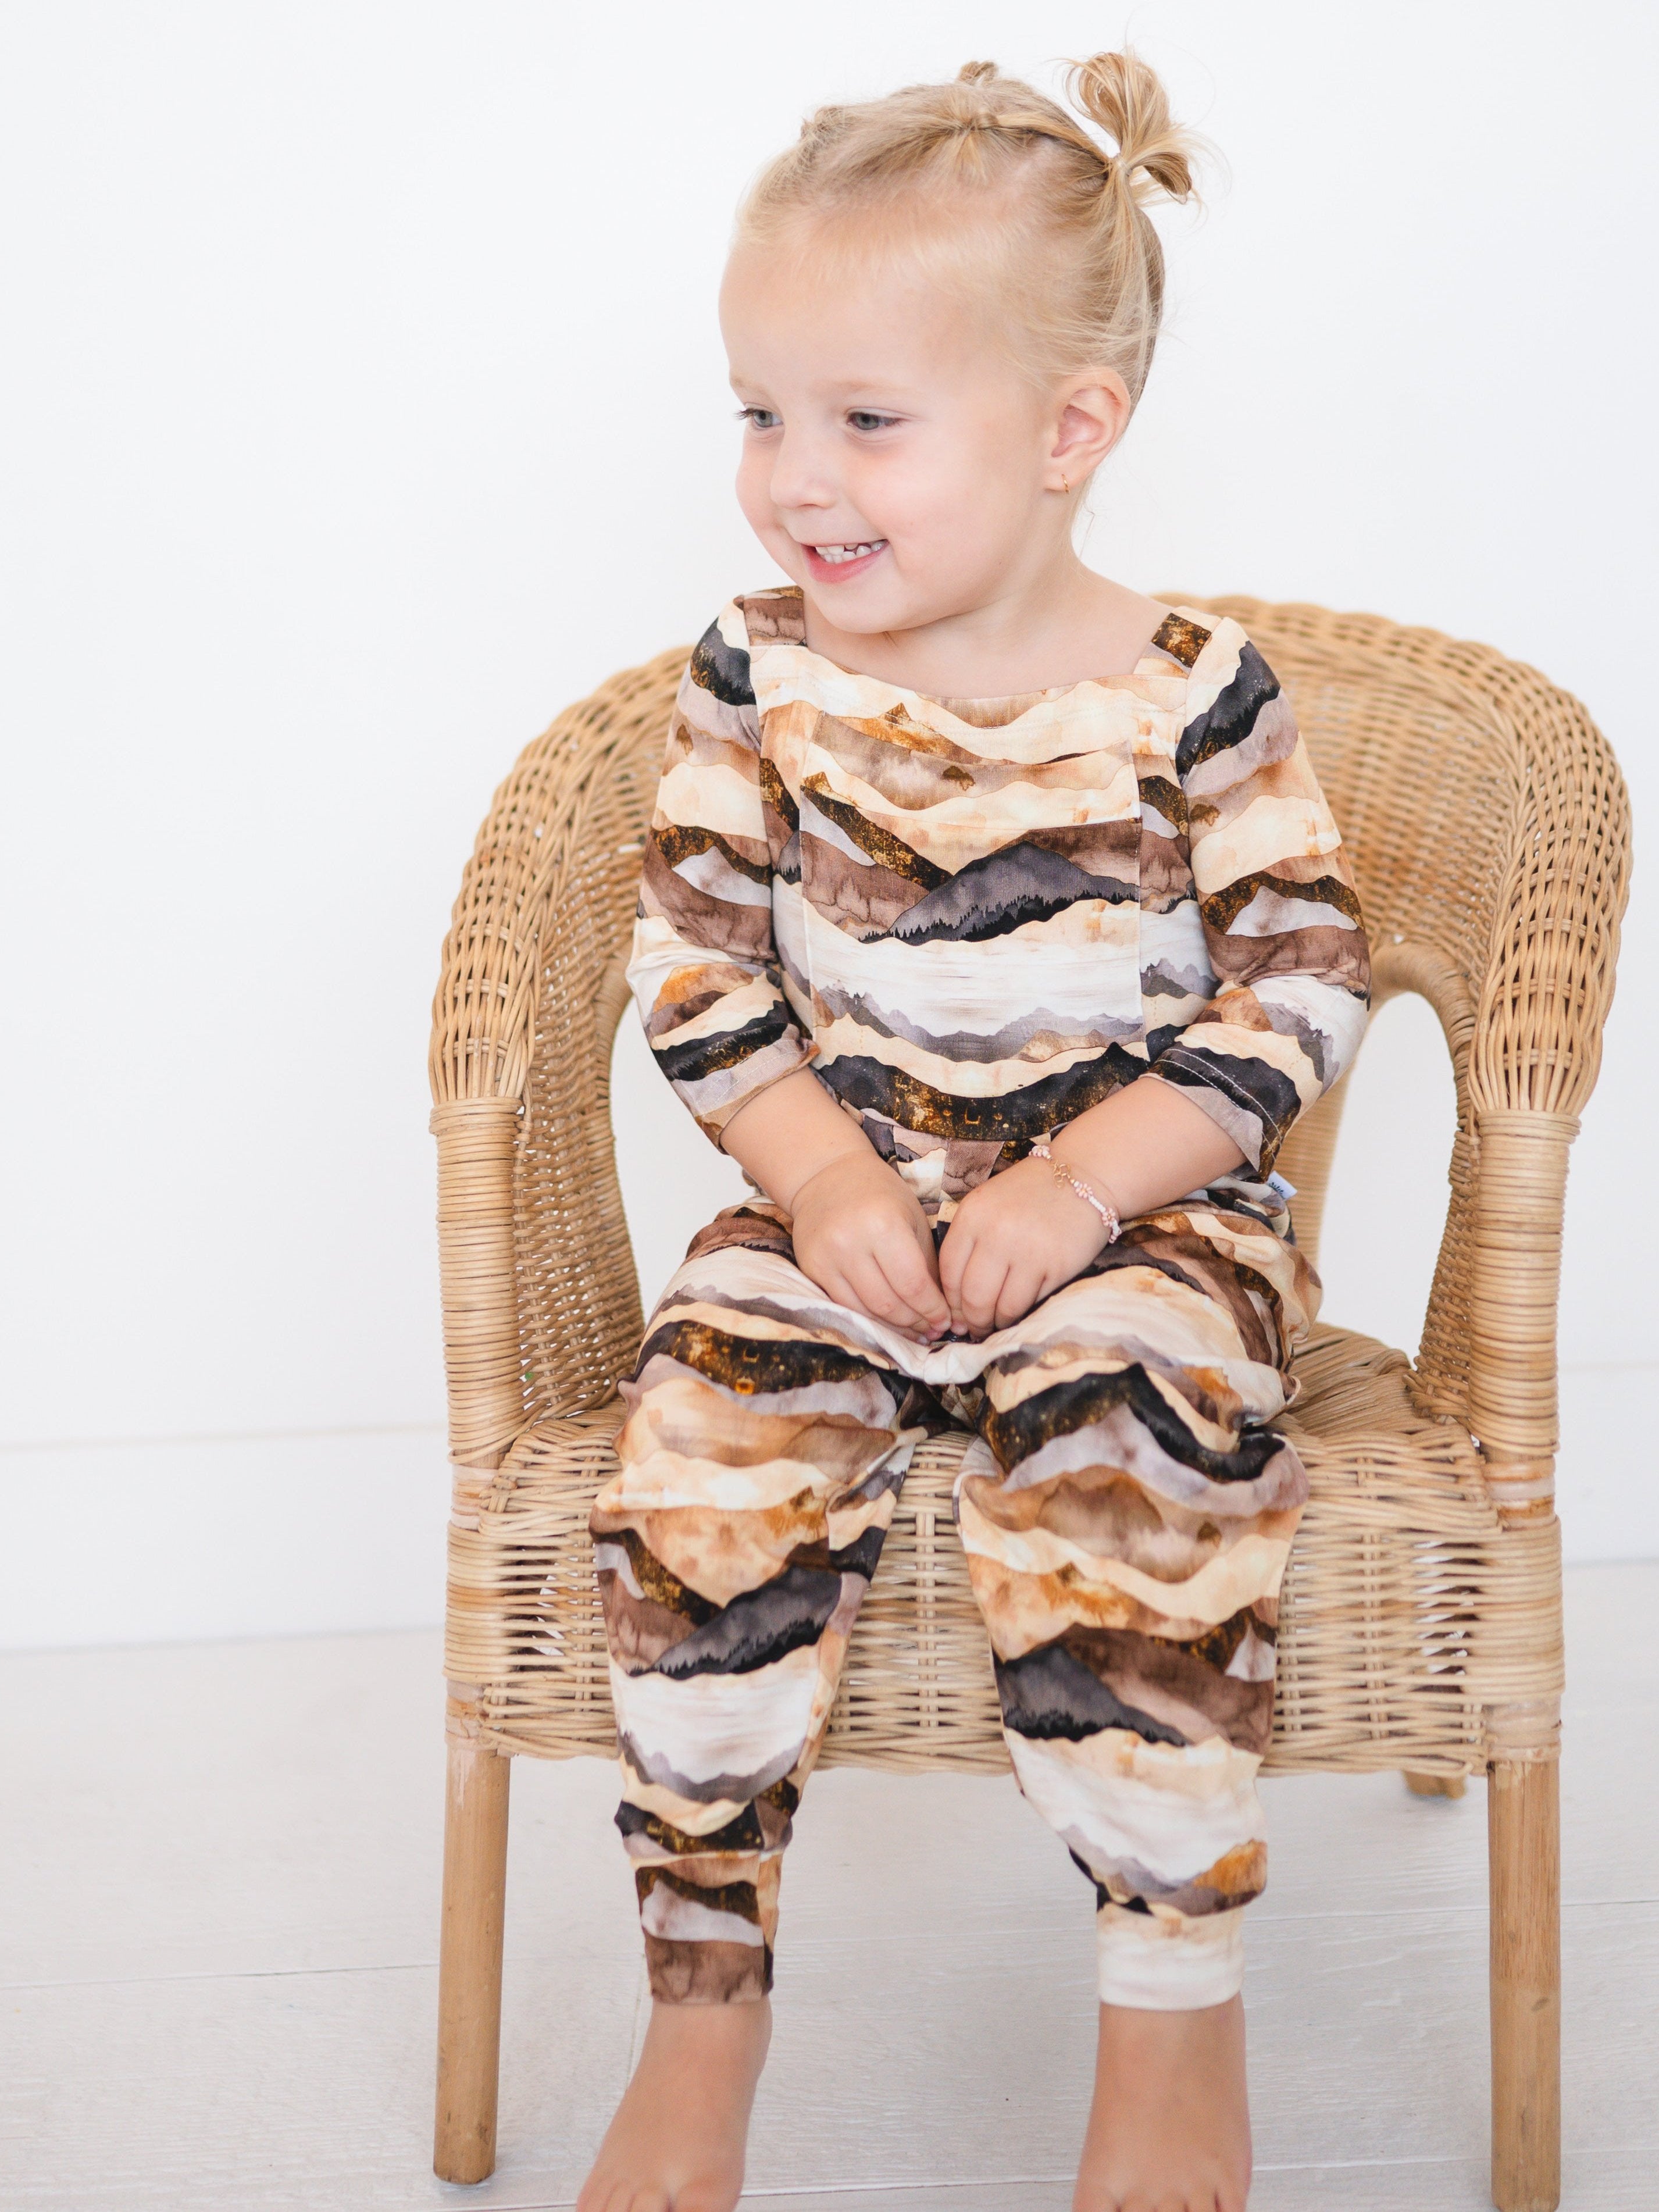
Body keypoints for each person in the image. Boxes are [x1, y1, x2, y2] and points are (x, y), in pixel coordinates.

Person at [580, 51, 1370, 2212]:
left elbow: (1296, 984)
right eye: (757, 410)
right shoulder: (754, 682)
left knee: (1134, 1445)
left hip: (1141, 1203)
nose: (788, 479)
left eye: (860, 420)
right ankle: (698, 2016)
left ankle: (1168, 2025)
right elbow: (698, 973)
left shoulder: (1196, 692)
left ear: (1067, 430)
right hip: (833, 1196)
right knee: (697, 1460)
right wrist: (825, 1181)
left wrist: (1082, 1183)